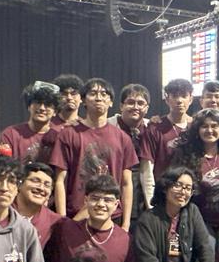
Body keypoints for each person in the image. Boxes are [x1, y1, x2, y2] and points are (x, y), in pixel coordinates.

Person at [50, 78, 138, 231]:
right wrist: (62, 219)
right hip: (76, 215)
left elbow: (126, 183)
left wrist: (126, 223)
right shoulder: (68, 135)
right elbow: (60, 181)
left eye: (104, 94)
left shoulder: (123, 138)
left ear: (111, 102)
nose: (99, 98)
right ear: (83, 100)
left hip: (112, 216)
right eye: (93, 93)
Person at [171, 108, 219, 248]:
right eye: (204, 126)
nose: (209, 130)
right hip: (200, 219)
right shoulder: (187, 156)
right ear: (197, 130)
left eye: (214, 126)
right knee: (207, 249)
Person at [140, 78, 193, 205]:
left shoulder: (197, 127)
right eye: (174, 96)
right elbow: (146, 168)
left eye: (184, 96)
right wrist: (150, 201)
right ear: (167, 99)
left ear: (190, 99)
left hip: (190, 195)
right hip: (163, 195)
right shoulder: (155, 128)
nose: (179, 100)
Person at [108, 83, 150, 224]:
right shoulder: (108, 126)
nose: (136, 107)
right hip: (116, 188)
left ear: (147, 108)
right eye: (130, 102)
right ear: (121, 106)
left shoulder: (153, 128)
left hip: (143, 191)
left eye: (140, 103)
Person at [0, 81, 59, 163]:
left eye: (48, 104)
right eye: (38, 102)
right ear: (29, 106)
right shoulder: (10, 134)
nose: (42, 108)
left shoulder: (60, 137)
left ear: (55, 111)